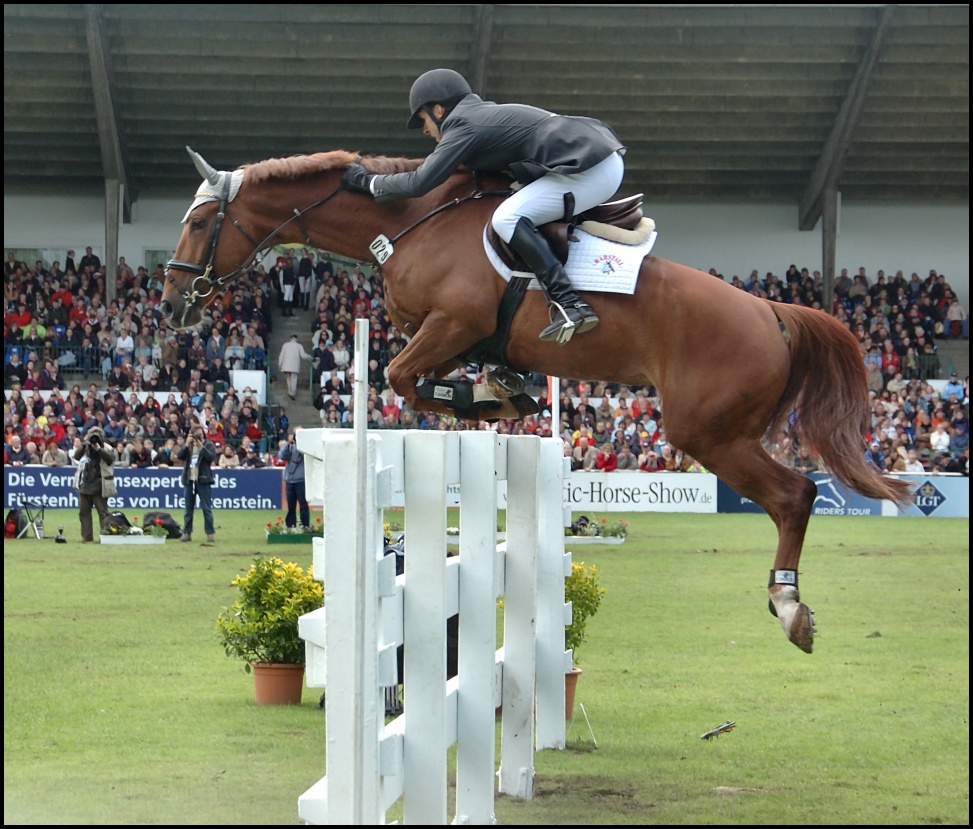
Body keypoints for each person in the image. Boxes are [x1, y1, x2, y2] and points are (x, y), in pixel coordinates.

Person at [340, 67, 626, 344]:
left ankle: (569, 303)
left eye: (423, 120)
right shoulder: (477, 117)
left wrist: (369, 183)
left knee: (506, 218)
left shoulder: (463, 124)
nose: (425, 131)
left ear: (438, 111)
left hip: (590, 169)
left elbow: (419, 183)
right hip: (593, 159)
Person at [72, 425, 117, 542]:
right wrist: (84, 445)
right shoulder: (86, 447)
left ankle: (105, 536)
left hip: (100, 484)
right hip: (85, 483)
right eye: (93, 435)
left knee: (103, 513)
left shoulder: (107, 448)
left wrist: (98, 448)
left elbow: (110, 460)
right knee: (84, 512)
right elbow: (76, 457)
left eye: (97, 435)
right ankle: (86, 537)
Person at [176, 424, 217, 543]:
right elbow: (180, 456)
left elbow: (211, 457)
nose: (197, 436)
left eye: (199, 433)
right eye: (195, 433)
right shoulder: (189, 446)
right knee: (188, 509)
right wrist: (187, 444)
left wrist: (201, 446)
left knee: (206, 508)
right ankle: (187, 532)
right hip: (189, 479)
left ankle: (210, 533)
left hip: (203, 479)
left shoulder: (208, 444)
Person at [278, 425, 310, 529]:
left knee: (303, 504)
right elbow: (282, 456)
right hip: (290, 480)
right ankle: (290, 526)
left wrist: (302, 442)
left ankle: (305, 525)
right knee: (291, 506)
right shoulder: (290, 447)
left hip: (301, 479)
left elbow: (301, 454)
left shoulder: (307, 447)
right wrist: (288, 444)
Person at [277, 334, 312, 400]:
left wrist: (280, 364)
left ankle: (290, 391)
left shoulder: (285, 345)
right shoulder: (299, 346)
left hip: (286, 365)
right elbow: (303, 355)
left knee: (288, 378)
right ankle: (292, 392)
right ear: (297, 339)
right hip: (295, 365)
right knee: (294, 379)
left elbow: (281, 355)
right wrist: (310, 357)